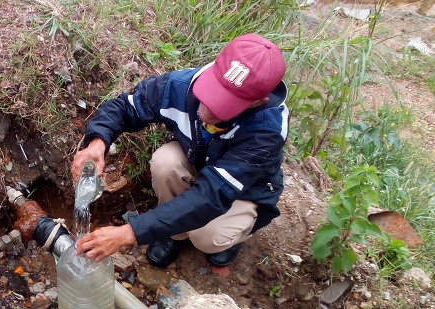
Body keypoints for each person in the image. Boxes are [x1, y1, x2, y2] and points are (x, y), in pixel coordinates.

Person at [71, 33, 289, 268]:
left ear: (258, 102)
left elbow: (211, 196)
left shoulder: (266, 130)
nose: (210, 107)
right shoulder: (182, 85)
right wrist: (97, 142)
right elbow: (125, 107)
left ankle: (230, 239)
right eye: (213, 91)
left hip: (240, 191)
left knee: (208, 237)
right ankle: (174, 234)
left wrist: (129, 233)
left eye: (226, 102)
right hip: (200, 163)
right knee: (165, 162)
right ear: (214, 69)